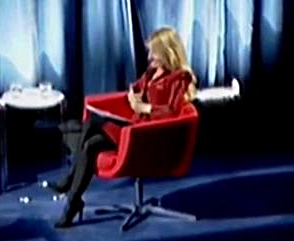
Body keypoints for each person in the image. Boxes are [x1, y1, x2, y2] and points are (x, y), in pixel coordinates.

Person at [50, 27, 197, 228]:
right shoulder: (152, 72)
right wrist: (132, 96)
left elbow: (172, 112)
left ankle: (68, 181)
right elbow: (135, 88)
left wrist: (144, 107)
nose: (150, 57)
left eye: (154, 53)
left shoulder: (179, 78)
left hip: (147, 137)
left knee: (90, 124)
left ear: (167, 52)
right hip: (133, 129)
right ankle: (73, 204)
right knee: (90, 145)